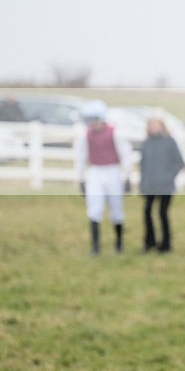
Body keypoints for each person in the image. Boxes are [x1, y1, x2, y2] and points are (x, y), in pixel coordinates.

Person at [77, 100, 133, 255]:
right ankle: (95, 247)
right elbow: (81, 157)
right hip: (95, 171)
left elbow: (125, 154)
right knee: (94, 208)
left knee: (116, 208)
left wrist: (127, 176)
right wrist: (81, 179)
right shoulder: (86, 135)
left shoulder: (115, 133)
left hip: (113, 171)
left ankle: (119, 244)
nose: (92, 125)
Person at [139, 117, 185, 253]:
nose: (154, 128)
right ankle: (149, 242)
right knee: (147, 212)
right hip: (150, 185)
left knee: (162, 213)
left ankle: (165, 244)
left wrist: (168, 177)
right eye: (151, 125)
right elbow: (143, 165)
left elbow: (179, 162)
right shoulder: (146, 143)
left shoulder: (170, 142)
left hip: (165, 186)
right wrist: (143, 183)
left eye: (156, 125)